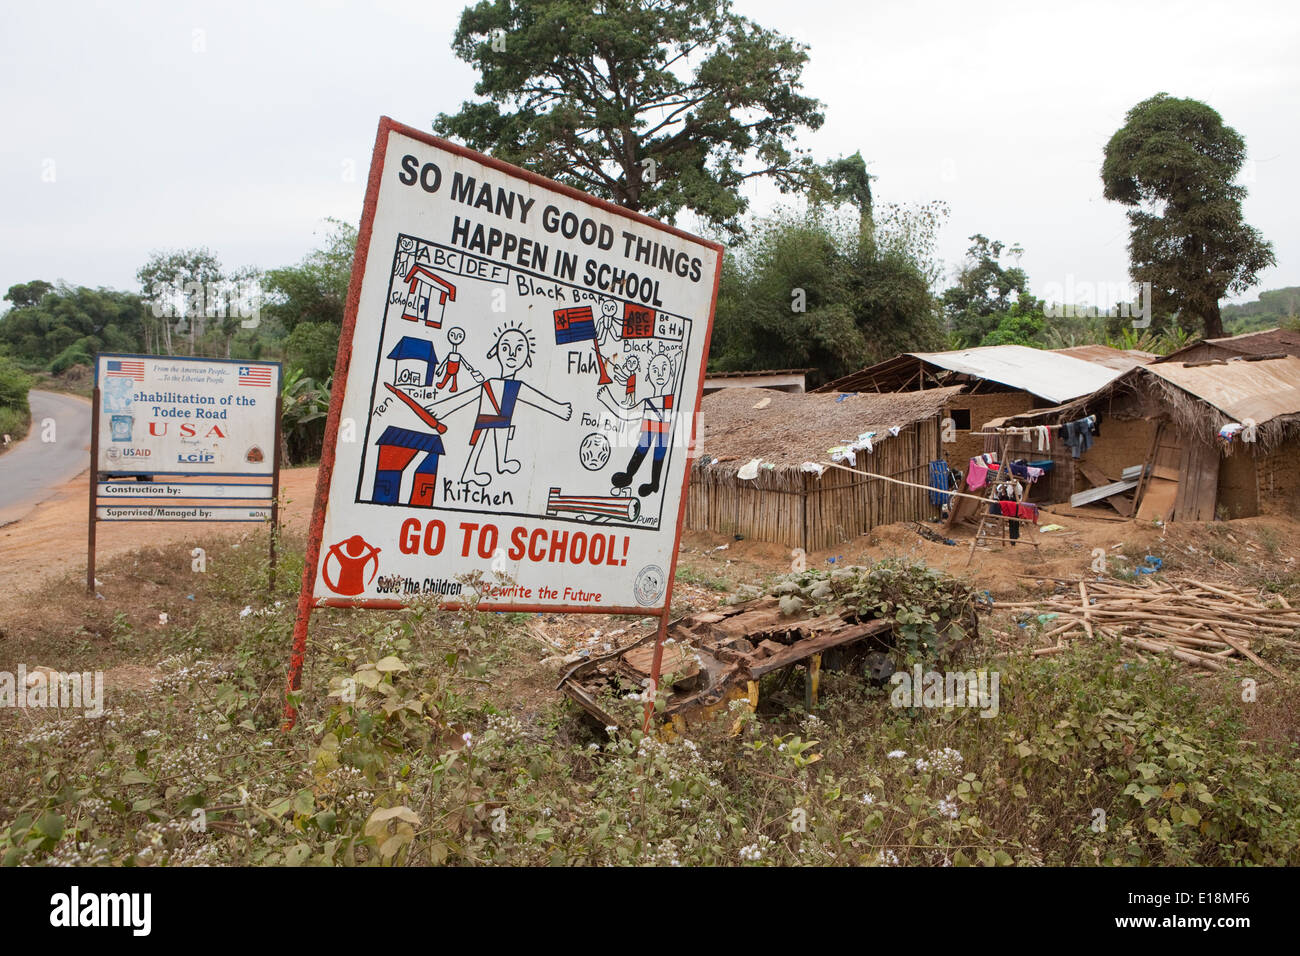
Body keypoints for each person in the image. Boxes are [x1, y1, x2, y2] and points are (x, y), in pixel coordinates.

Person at [430, 326, 572, 486]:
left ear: (527, 358)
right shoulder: (492, 383)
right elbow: (468, 396)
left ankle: (501, 463)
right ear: (496, 351)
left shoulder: (517, 385)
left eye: (519, 349)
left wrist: (558, 408)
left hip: (505, 416)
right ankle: (470, 471)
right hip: (489, 413)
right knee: (482, 439)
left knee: (502, 433)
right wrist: (443, 407)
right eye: (505, 348)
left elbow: (536, 398)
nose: (512, 354)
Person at [598, 351, 677, 497]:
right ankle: (631, 475)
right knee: (641, 451)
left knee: (658, 455)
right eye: (655, 369)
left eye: (664, 369)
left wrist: (607, 399)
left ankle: (653, 483)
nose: (660, 373)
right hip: (651, 427)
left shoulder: (667, 398)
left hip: (662, 429)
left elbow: (627, 414)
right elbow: (628, 414)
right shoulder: (648, 399)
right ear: (648, 375)